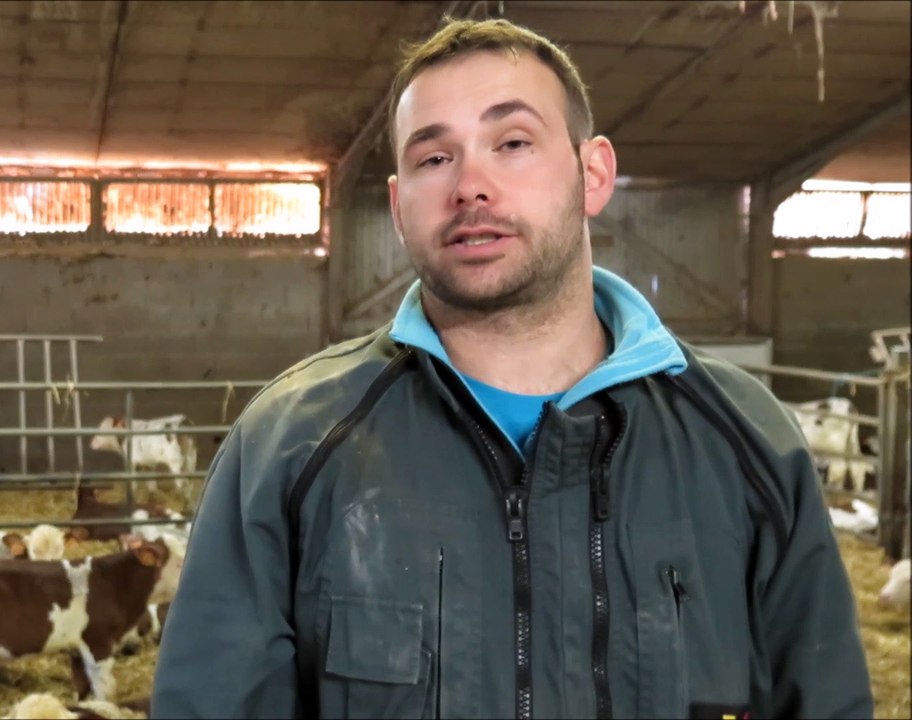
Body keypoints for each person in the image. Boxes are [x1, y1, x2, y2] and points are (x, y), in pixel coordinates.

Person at [152, 17, 873, 720]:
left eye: (513, 142)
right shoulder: (289, 447)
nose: (471, 185)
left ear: (593, 174)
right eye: (434, 158)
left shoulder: (747, 444)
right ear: (400, 208)